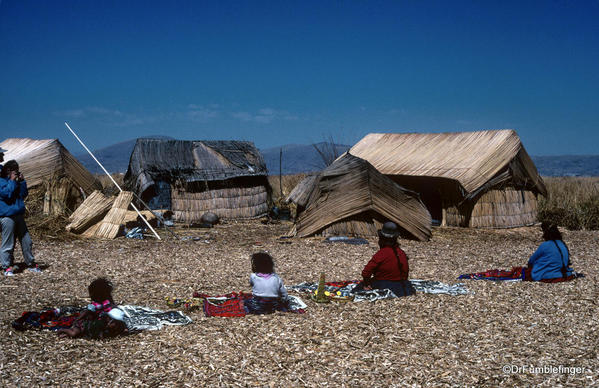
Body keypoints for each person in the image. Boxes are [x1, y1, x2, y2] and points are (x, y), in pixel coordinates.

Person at [0, 160, 41, 276]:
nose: (16, 173)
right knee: (8, 243)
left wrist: (22, 182)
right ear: (8, 171)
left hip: (18, 215)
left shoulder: (13, 181)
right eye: (15, 171)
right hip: (6, 216)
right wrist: (12, 181)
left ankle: (30, 263)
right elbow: (7, 194)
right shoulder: (1, 181)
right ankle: (6, 266)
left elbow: (23, 194)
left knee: (27, 241)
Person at [354, 221, 415, 296]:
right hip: (401, 286)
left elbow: (366, 272)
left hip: (383, 284)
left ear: (381, 239)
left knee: (356, 290)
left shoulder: (382, 254)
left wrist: (366, 284)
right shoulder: (401, 253)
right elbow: (405, 272)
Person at [57, 278, 127, 339]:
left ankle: (69, 334)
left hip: (101, 322)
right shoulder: (96, 305)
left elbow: (113, 310)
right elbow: (85, 313)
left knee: (112, 325)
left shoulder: (107, 303)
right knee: (75, 332)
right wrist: (77, 320)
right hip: (88, 322)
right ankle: (64, 330)